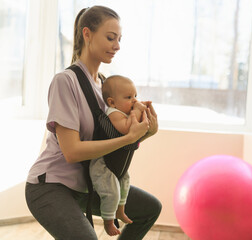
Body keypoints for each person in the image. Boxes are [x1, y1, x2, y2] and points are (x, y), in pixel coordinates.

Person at [25, 5, 161, 240]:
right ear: (87, 34)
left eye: (119, 39)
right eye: (110, 38)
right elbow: (72, 151)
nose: (117, 45)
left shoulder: (106, 87)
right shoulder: (65, 82)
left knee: (150, 209)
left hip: (88, 184)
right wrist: (129, 137)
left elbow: (116, 138)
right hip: (50, 186)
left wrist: (146, 132)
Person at [90, 75, 150, 236]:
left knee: (125, 183)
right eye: (129, 97)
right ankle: (108, 221)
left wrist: (144, 115)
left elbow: (135, 130)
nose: (134, 100)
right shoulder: (113, 113)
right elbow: (126, 129)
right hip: (102, 165)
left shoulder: (124, 111)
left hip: (116, 164)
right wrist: (137, 111)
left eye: (135, 96)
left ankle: (120, 211)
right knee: (112, 192)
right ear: (111, 102)